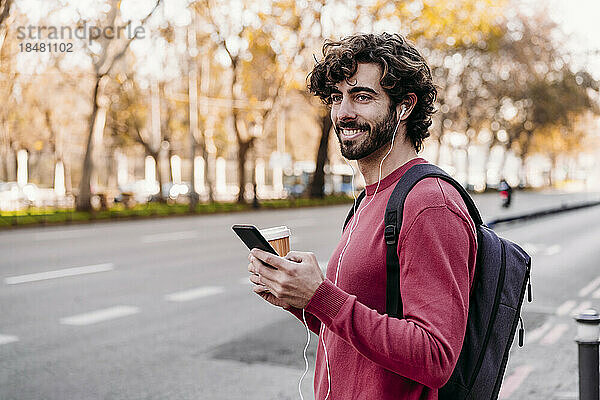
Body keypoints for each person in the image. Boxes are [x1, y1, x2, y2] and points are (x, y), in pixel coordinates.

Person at [247, 33, 478, 400]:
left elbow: (435, 357)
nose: (343, 113)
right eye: (336, 98)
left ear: (404, 106)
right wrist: (299, 299)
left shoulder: (430, 203)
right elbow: (354, 331)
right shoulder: (368, 200)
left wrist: (322, 297)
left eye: (362, 96)